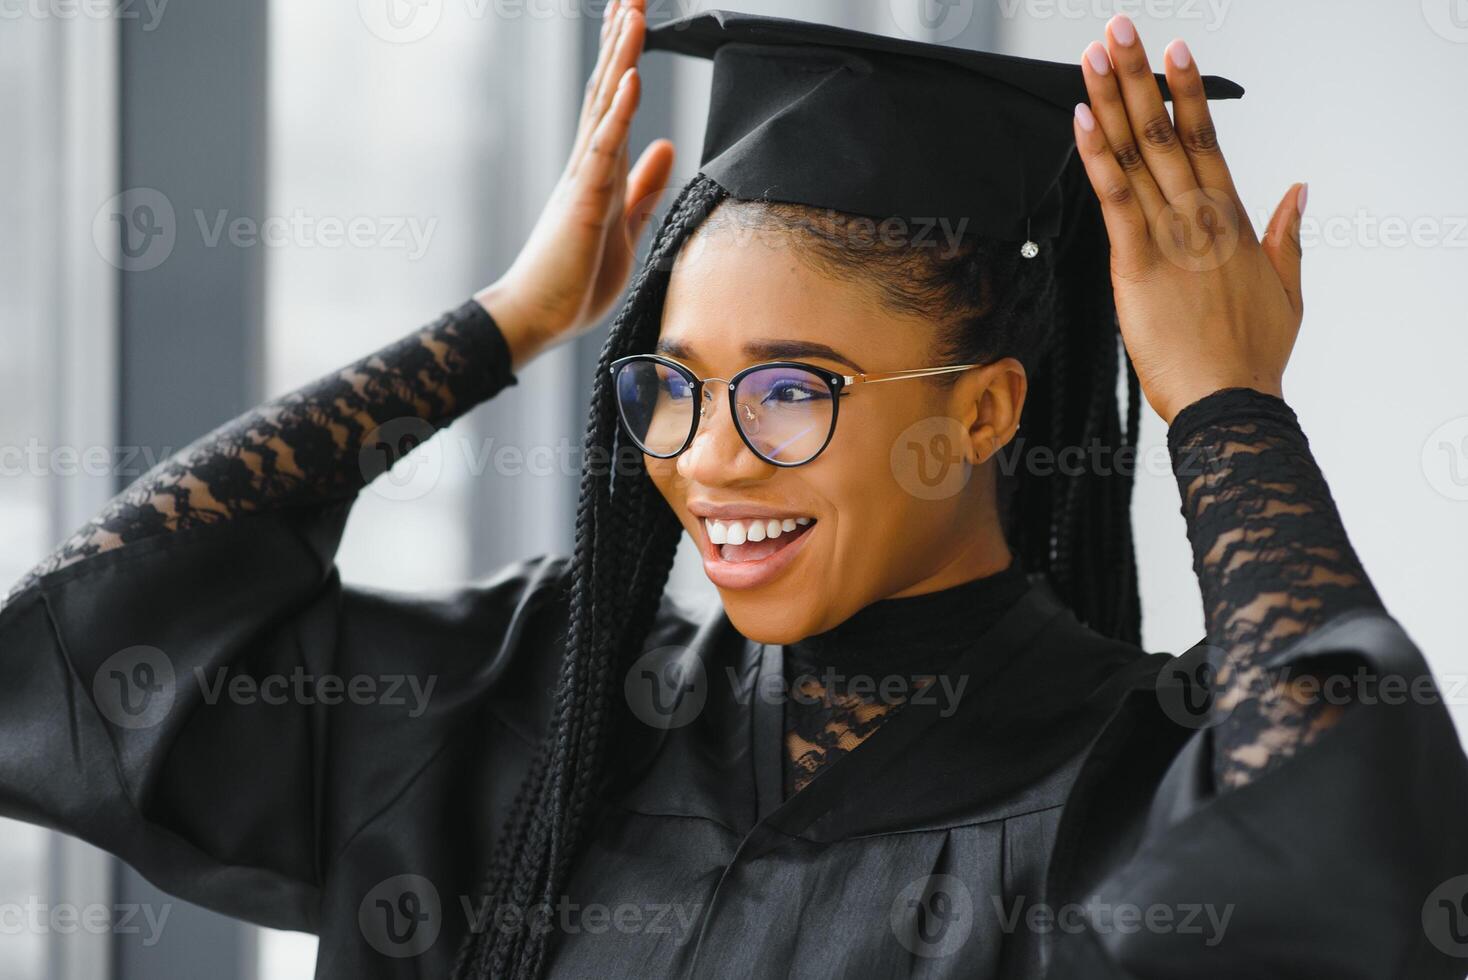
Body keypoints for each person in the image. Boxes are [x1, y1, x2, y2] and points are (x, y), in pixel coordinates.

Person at [1, 5, 1464, 978]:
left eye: (787, 391)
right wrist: (499, 325)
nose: (703, 457)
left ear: (981, 416)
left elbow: (1367, 850)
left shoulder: (1132, 780)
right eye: (672, 382)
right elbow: (81, 646)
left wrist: (1224, 406)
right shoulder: (529, 712)